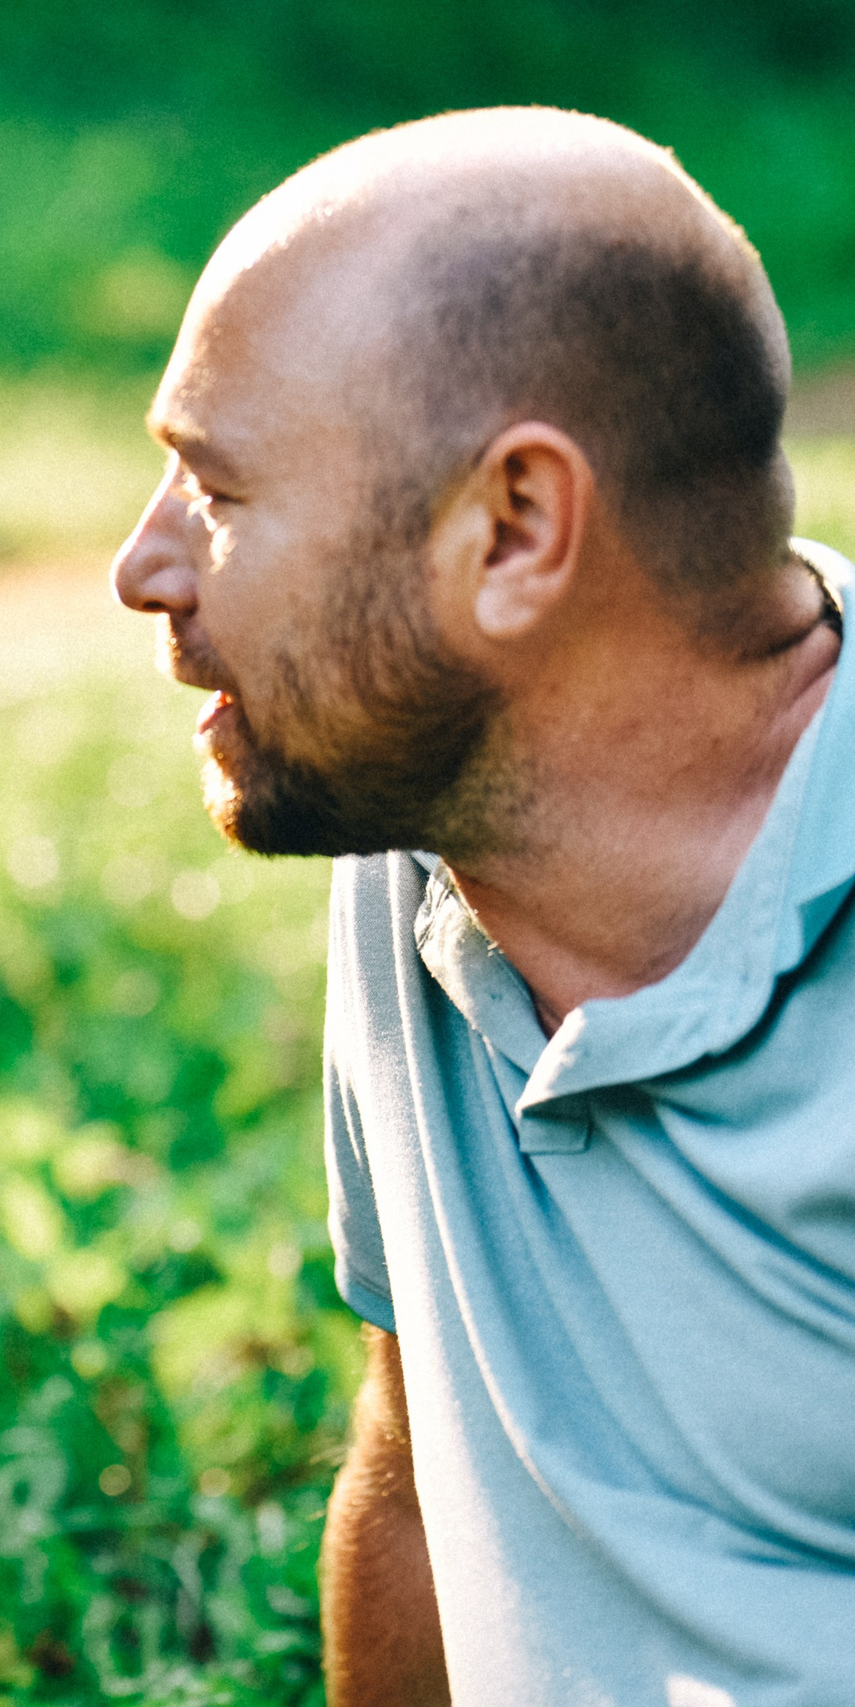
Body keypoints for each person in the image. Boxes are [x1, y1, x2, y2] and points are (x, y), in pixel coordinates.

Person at [112, 106, 855, 1705]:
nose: (143, 566)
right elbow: (418, 1473)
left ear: (515, 531)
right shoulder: (422, 804)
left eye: (217, 493)